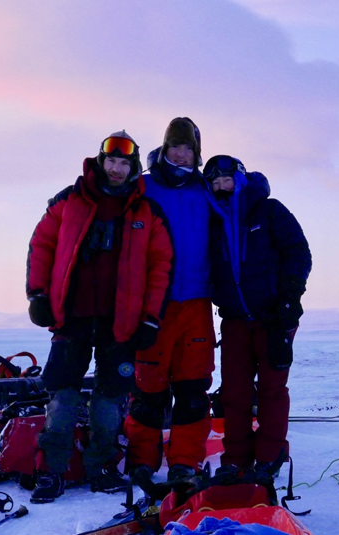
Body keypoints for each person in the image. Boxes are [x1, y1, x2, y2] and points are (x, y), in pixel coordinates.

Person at [25, 131, 173, 503]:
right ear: (100, 161)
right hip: (72, 317)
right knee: (62, 396)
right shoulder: (68, 201)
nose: (117, 168)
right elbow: (42, 245)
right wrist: (37, 294)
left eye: (125, 163)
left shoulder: (147, 212)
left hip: (119, 323)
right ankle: (50, 471)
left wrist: (150, 318)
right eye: (112, 161)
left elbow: (161, 267)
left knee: (110, 399)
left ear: (134, 167)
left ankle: (102, 467)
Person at [203, 155, 311, 477]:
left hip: (274, 317)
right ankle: (236, 460)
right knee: (234, 392)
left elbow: (298, 251)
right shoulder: (211, 220)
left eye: (227, 179)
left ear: (240, 179)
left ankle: (270, 457)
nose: (222, 187)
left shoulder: (269, 210)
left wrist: (291, 298)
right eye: (215, 182)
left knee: (271, 390)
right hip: (234, 320)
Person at [124, 117, 215, 483]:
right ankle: (141, 462)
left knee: (193, 390)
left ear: (196, 154)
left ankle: (184, 463)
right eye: (175, 147)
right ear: (163, 149)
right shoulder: (141, 187)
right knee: (148, 390)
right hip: (153, 305)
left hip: (197, 302)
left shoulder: (206, 190)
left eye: (188, 149)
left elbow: (240, 201)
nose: (181, 154)